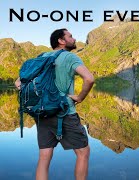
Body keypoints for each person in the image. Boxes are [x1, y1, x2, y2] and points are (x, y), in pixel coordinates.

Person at [15, 28, 94, 180]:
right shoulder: (70, 57)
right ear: (61, 41)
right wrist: (80, 97)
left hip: (42, 112)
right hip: (65, 112)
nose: (74, 38)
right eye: (70, 36)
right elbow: (89, 79)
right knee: (83, 153)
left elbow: (18, 83)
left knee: (44, 157)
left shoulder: (41, 57)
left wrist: (40, 98)